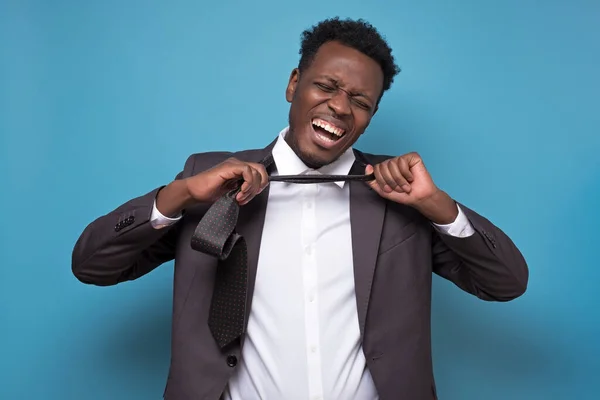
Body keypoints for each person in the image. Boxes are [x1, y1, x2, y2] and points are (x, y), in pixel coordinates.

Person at [72, 17, 528, 400]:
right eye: (326, 86)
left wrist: (436, 204)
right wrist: (180, 195)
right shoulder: (209, 178)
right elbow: (92, 265)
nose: (340, 107)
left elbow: (506, 282)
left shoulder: (403, 198)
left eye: (361, 101)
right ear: (294, 85)